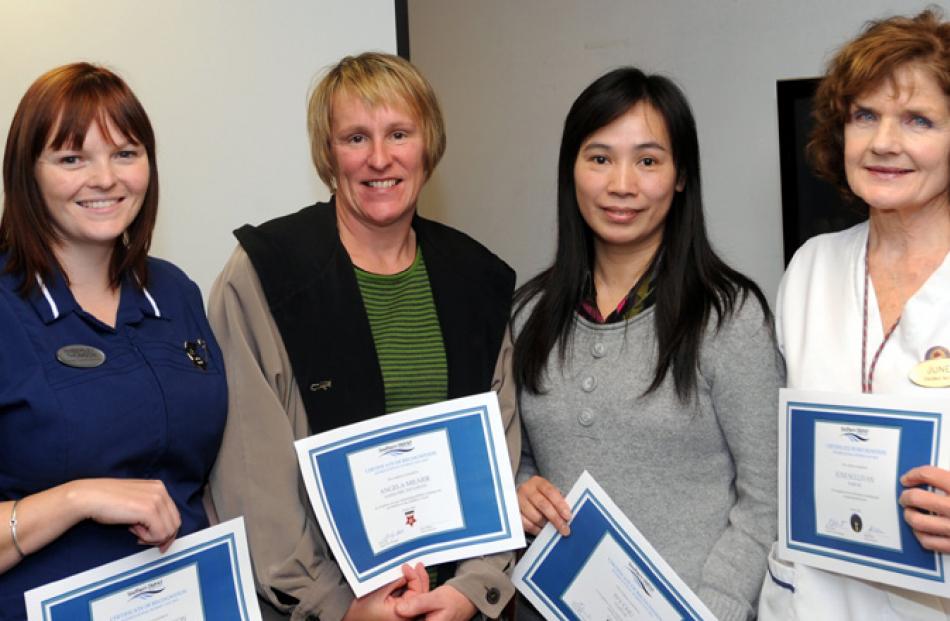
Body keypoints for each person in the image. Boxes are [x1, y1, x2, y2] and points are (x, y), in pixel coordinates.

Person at [207, 52, 518, 621]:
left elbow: (500, 457)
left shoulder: (479, 280)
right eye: (354, 138)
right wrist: (340, 607)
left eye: (399, 133)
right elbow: (251, 482)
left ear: (429, 145)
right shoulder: (264, 276)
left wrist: (472, 590)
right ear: (328, 155)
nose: (379, 158)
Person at [512, 67, 782, 621]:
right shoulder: (528, 314)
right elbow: (523, 457)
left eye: (648, 160)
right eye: (600, 158)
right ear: (572, 171)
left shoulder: (727, 316)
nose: (622, 184)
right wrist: (519, 491)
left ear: (681, 175)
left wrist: (715, 611)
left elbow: (769, 498)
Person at [0, 63, 227, 620]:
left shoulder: (174, 293)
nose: (105, 178)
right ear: (28, 174)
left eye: (125, 153)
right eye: (72, 158)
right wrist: (76, 498)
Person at [759, 10, 950, 620]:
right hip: (807, 600)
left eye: (918, 120)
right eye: (865, 115)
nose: (883, 142)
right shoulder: (810, 268)